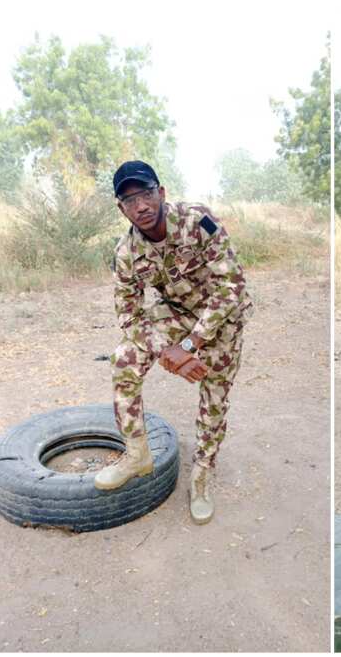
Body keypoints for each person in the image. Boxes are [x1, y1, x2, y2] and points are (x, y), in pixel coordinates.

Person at [96, 160, 251, 525]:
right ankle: (137, 454)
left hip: (223, 319)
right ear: (122, 209)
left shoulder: (197, 221)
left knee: (214, 397)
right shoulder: (126, 252)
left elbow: (231, 287)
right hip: (175, 312)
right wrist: (168, 351)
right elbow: (130, 316)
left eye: (146, 194)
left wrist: (191, 345)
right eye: (129, 201)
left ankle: (201, 474)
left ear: (161, 193)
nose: (141, 206)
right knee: (124, 359)